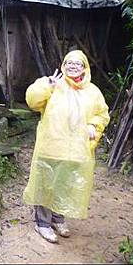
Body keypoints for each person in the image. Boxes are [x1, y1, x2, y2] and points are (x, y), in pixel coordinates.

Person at [23, 50, 110, 243]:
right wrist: (47, 86)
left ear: (84, 67)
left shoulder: (93, 92)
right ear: (63, 65)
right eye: (68, 62)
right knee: (46, 183)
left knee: (64, 184)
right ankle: (42, 223)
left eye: (77, 63)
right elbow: (31, 100)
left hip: (75, 150)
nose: (72, 66)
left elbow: (102, 114)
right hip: (51, 145)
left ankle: (58, 218)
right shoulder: (53, 83)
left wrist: (93, 125)